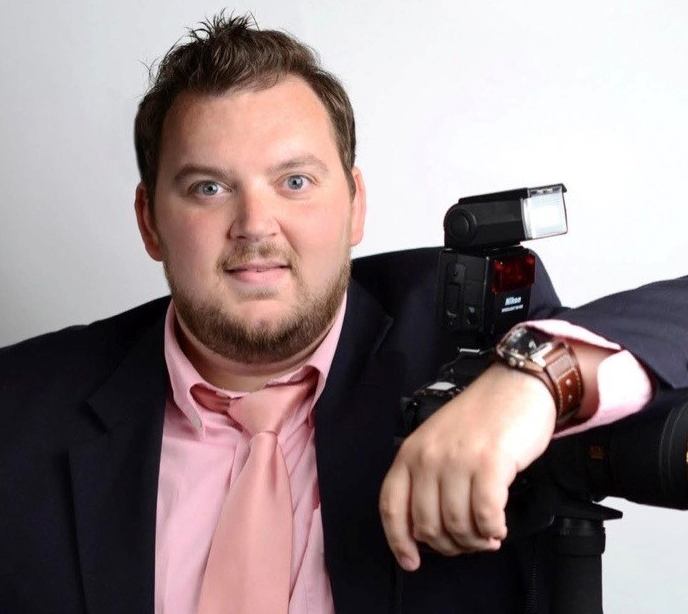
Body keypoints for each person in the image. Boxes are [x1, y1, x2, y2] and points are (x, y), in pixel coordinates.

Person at [2, 12, 688, 614]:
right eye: (208, 187)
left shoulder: (461, 328)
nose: (254, 224)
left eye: (294, 181)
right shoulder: (22, 408)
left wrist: (538, 379)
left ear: (356, 205)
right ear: (150, 222)